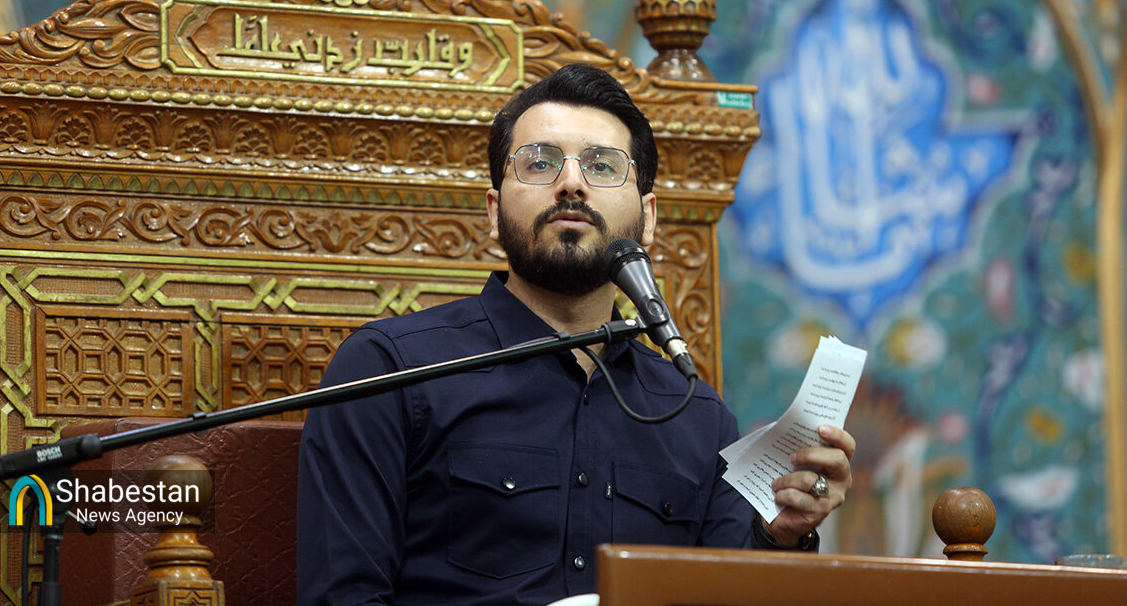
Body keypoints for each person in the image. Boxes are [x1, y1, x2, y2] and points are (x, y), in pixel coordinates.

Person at [297, 63, 855, 606]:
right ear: (494, 211)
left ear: (648, 218)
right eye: (539, 163)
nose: (570, 183)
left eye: (602, 165)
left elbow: (728, 593)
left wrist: (781, 536)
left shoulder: (696, 415)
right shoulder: (390, 371)